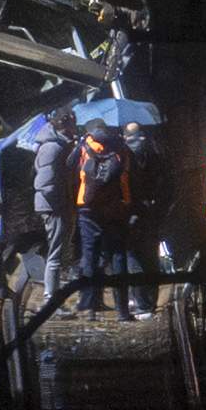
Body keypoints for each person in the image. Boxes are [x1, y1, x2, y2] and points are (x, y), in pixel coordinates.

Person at [74, 118, 136, 319]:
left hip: (87, 206)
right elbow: (127, 176)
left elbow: (70, 166)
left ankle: (88, 308)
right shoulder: (121, 147)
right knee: (118, 256)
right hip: (115, 207)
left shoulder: (84, 145)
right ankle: (122, 310)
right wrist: (128, 204)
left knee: (89, 256)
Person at [120, 121, 174, 311]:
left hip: (131, 212)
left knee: (133, 256)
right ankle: (151, 300)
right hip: (153, 212)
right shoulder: (156, 153)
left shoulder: (123, 156)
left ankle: (139, 301)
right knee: (151, 256)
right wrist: (161, 209)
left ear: (125, 135)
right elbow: (167, 185)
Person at [33, 108, 81, 317]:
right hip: (54, 206)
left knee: (57, 253)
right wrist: (60, 202)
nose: (75, 126)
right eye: (73, 122)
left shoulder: (58, 145)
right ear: (64, 124)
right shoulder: (53, 147)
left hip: (56, 204)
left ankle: (52, 299)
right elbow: (45, 182)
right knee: (55, 254)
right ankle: (50, 302)